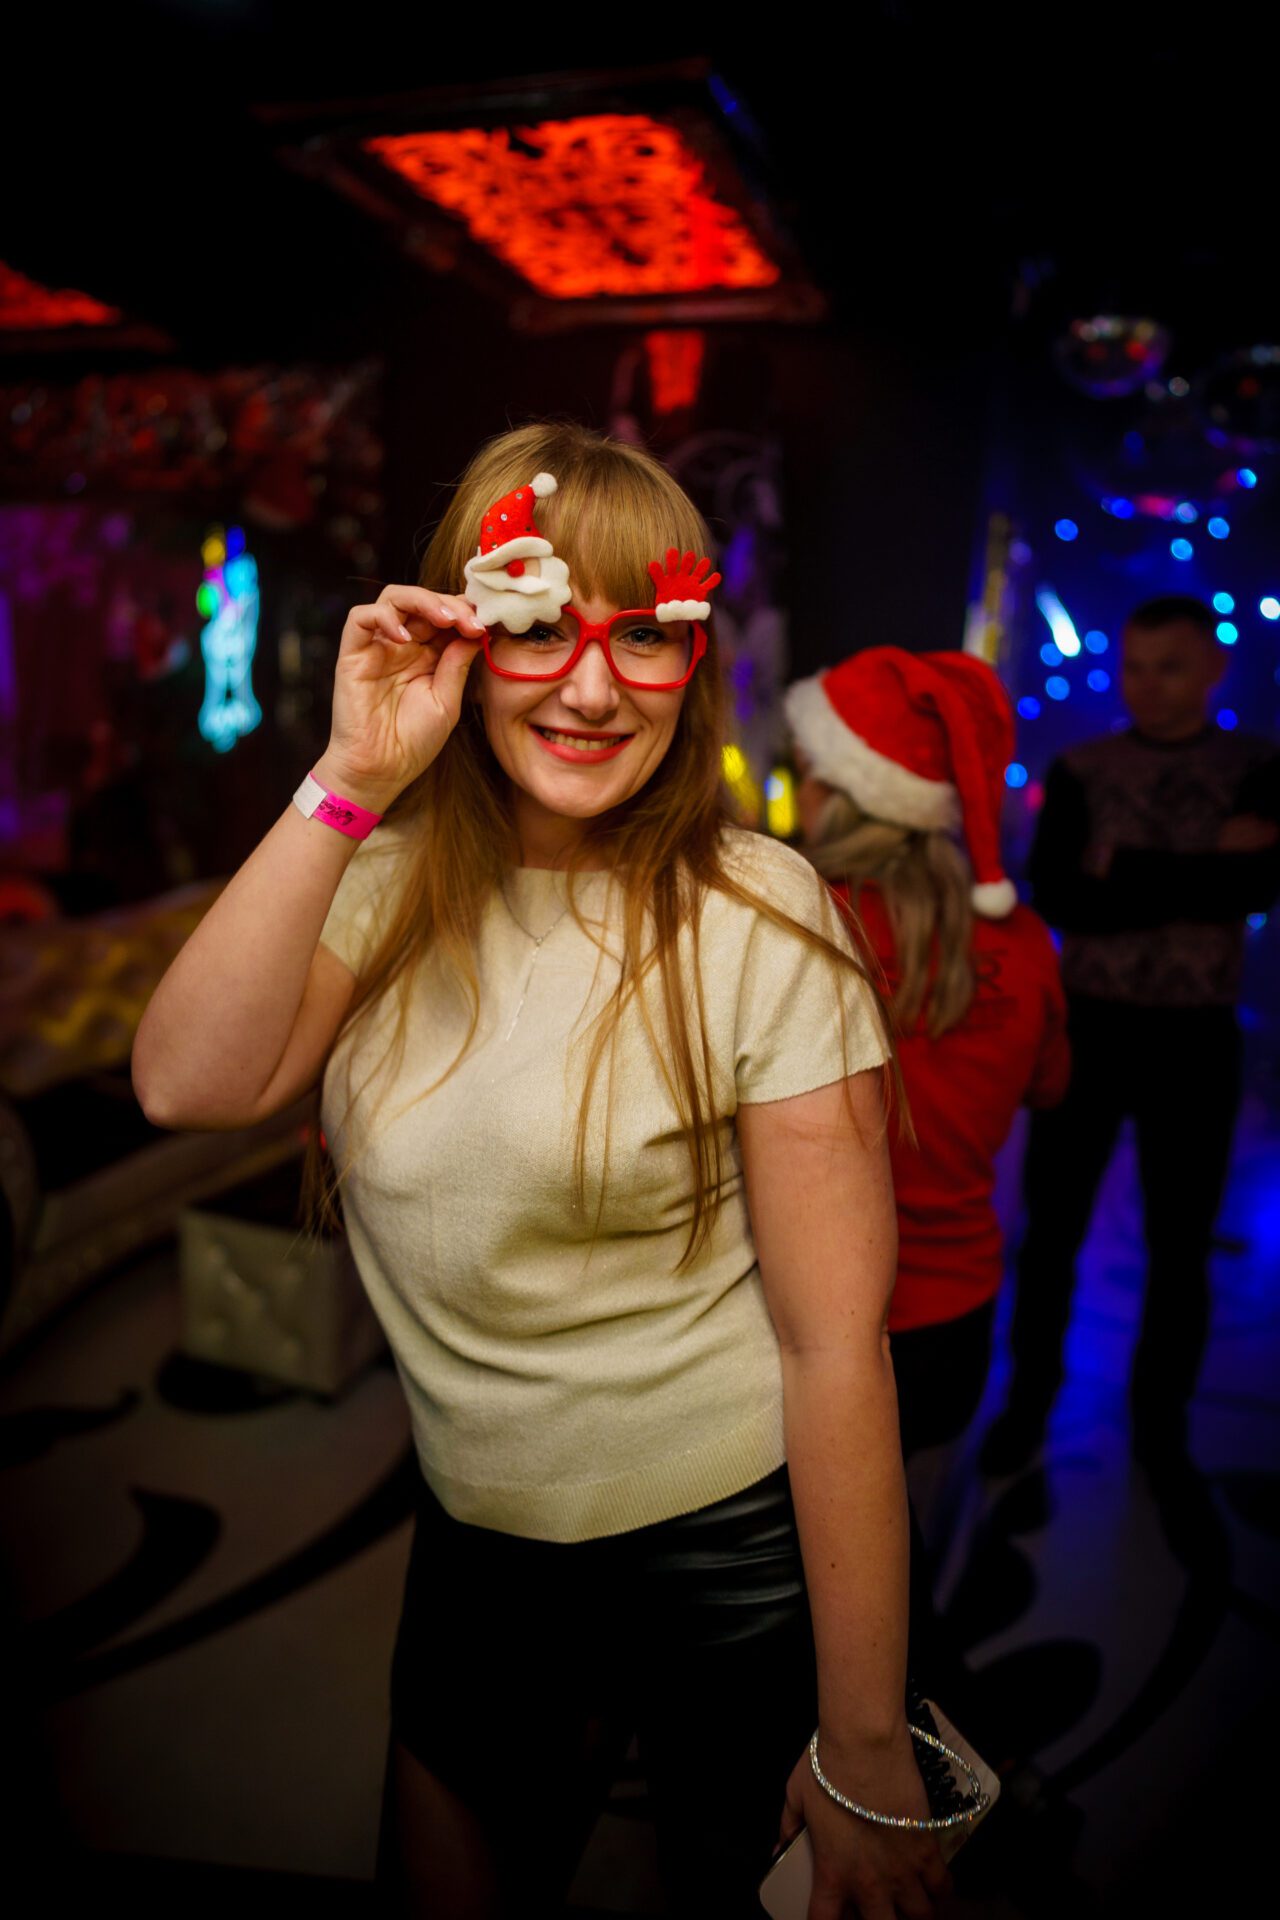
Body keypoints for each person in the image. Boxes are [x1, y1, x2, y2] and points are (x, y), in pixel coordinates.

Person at [133, 423, 954, 1918]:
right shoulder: (379, 878)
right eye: (534, 627)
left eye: (643, 634)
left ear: (691, 660)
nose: (589, 688)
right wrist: (347, 775)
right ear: (461, 633)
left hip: (729, 1547)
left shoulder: (758, 911)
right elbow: (188, 1083)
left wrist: (860, 1740)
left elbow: (833, 1345)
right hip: (478, 1542)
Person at [785, 647, 1069, 1718]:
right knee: (894, 1564)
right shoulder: (1025, 942)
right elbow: (1050, 1086)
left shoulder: (796, 927)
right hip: (956, 1319)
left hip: (812, 1322)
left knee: (817, 1591)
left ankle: (894, 1760)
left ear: (837, 787)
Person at [981, 594, 1280, 1477]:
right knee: (1051, 1231)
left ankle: (1160, 1427)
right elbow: (1064, 899)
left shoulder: (1259, 766)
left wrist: (1124, 867)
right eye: (1135, 667)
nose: (1147, 686)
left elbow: (1252, 892)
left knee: (1180, 1246)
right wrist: (1205, 864)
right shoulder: (1082, 766)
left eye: (1170, 667)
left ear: (1214, 667)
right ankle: (1028, 1404)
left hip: (1197, 1038)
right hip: (1091, 1030)